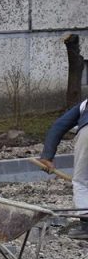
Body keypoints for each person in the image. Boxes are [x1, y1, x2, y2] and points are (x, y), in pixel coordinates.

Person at [39, 99, 88, 239]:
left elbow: (59, 125)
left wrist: (47, 156)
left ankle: (86, 226)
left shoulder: (85, 104)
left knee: (82, 181)